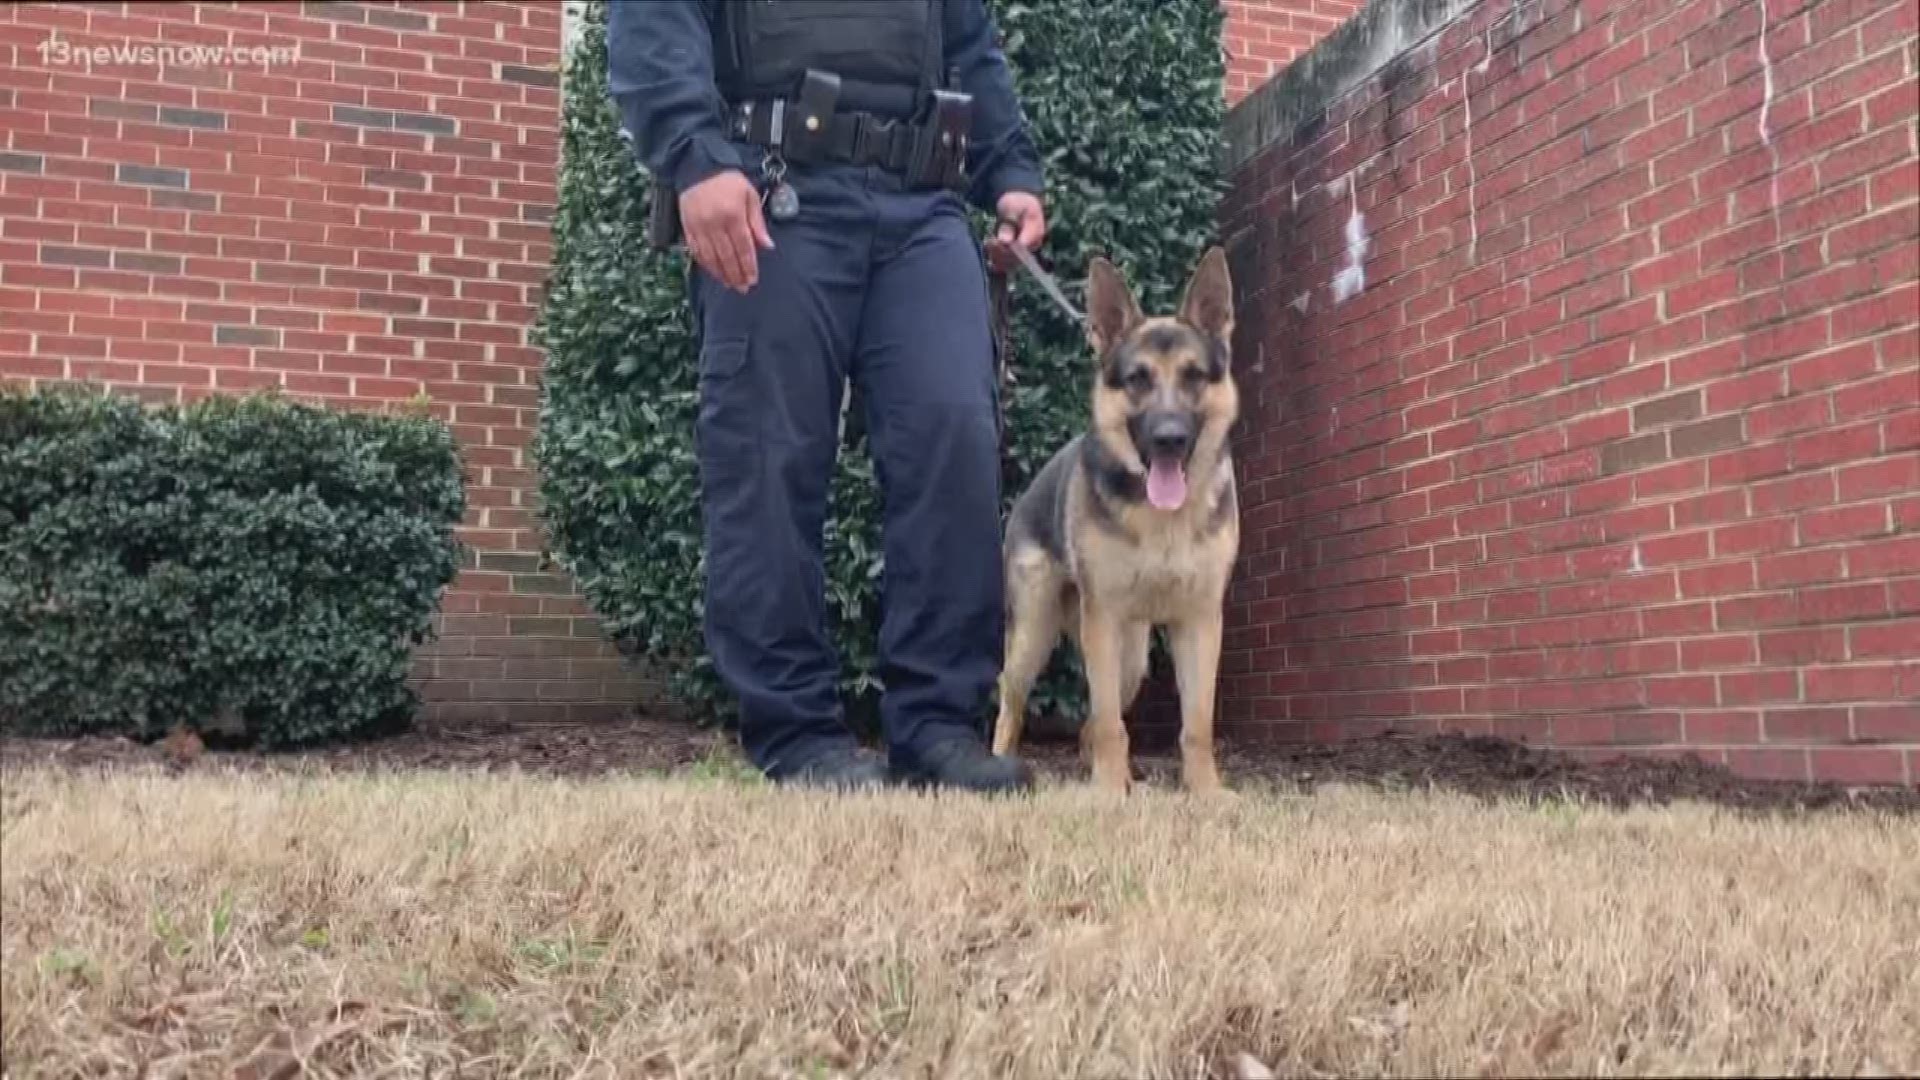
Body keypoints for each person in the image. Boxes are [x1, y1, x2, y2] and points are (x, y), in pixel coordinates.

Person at [607, 0, 1048, 792]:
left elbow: (969, 40)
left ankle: (940, 730)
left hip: (924, 203)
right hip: (774, 184)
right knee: (768, 457)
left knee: (955, 435)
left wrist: (1009, 171)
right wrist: (693, 156)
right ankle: (798, 736)